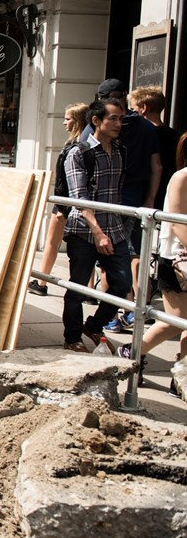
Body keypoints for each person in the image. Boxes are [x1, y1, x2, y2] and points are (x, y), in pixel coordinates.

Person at [81, 79, 160, 333]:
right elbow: (156, 167)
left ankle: (113, 315)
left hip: (109, 202)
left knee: (109, 260)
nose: (116, 124)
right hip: (136, 201)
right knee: (133, 255)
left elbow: (80, 164)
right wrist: (149, 200)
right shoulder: (147, 128)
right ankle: (130, 309)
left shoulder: (96, 126)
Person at [118, 133, 187, 398]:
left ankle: (179, 375)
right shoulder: (181, 177)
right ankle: (133, 351)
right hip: (177, 260)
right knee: (176, 320)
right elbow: (179, 224)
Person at [61, 99, 132, 353]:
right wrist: (98, 233)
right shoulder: (78, 153)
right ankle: (72, 338)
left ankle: (94, 324)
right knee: (78, 287)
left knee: (122, 284)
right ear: (96, 121)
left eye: (120, 119)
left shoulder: (121, 150)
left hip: (113, 228)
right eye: (113, 118)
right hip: (84, 230)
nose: (118, 124)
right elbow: (79, 199)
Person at [28, 102, 90, 296]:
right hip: (77, 202)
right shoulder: (89, 146)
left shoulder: (74, 147)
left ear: (77, 120)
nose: (64, 123)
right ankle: (87, 291)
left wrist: (62, 207)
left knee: (52, 242)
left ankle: (41, 282)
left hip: (66, 202)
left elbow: (65, 180)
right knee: (85, 246)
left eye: (68, 118)